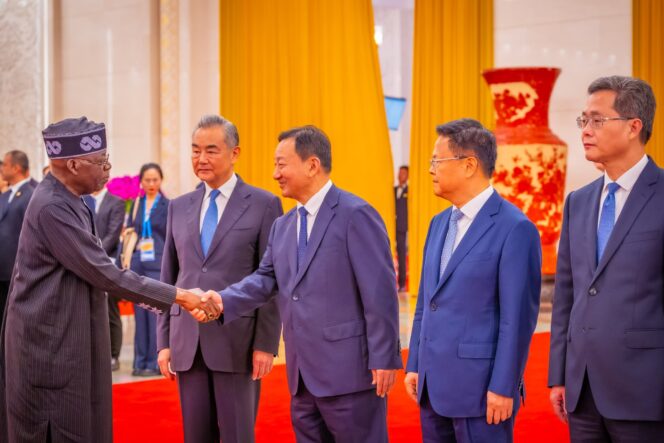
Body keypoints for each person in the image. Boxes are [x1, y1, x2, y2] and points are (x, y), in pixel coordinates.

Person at [0, 117, 220, 443]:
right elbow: (107, 273)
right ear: (73, 164)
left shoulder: (71, 200)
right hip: (48, 350)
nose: (108, 169)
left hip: (67, 340)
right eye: (100, 161)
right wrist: (184, 297)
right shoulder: (52, 206)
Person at [209, 125, 402, 442]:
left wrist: (384, 357)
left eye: (281, 164)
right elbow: (264, 280)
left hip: (351, 375)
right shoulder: (283, 226)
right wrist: (221, 301)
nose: (275, 174)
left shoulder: (356, 215)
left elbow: (380, 293)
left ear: (312, 164)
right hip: (301, 379)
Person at [404, 119, 541, 442]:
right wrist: (415, 364)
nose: (430, 169)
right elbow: (427, 302)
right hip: (431, 386)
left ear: (469, 165)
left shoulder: (514, 228)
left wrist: (503, 386)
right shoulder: (438, 224)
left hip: (481, 392)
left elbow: (516, 320)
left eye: (437, 160)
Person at [548, 76, 664, 441]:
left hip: (646, 389)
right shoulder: (578, 202)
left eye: (598, 120)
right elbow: (566, 295)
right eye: (584, 120)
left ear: (634, 127)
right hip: (581, 391)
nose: (586, 130)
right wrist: (559, 376)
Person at [156, 115, 282, 443]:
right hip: (187, 343)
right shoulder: (179, 206)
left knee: (238, 435)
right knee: (196, 436)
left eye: (211, 150)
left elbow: (271, 279)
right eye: (195, 150)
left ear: (235, 153)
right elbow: (169, 277)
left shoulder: (264, 204)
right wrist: (165, 341)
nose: (201, 159)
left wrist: (265, 344)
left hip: (238, 344)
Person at [127, 163, 169, 376]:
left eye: (155, 180)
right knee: (139, 314)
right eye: (147, 180)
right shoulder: (136, 204)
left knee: (154, 315)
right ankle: (140, 361)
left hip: (158, 263)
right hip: (138, 263)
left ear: (161, 180)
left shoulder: (168, 205)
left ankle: (154, 362)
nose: (151, 184)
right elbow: (130, 229)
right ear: (141, 182)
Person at [83, 187, 126, 371]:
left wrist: (94, 253)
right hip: (85, 262)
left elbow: (113, 233)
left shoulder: (116, 201)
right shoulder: (82, 199)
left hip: (108, 261)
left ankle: (113, 355)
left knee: (111, 311)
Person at [0, 150, 37, 323]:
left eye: (5, 165)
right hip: (2, 268)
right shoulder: (5, 195)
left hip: (17, 268)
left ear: (16, 168)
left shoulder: (31, 194)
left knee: (14, 320)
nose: (2, 169)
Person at [395, 165, 409, 292]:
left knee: (402, 255)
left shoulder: (409, 191)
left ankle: (402, 284)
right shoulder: (393, 190)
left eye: (403, 173)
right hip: (391, 226)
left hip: (401, 227)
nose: (400, 175)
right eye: (399, 173)